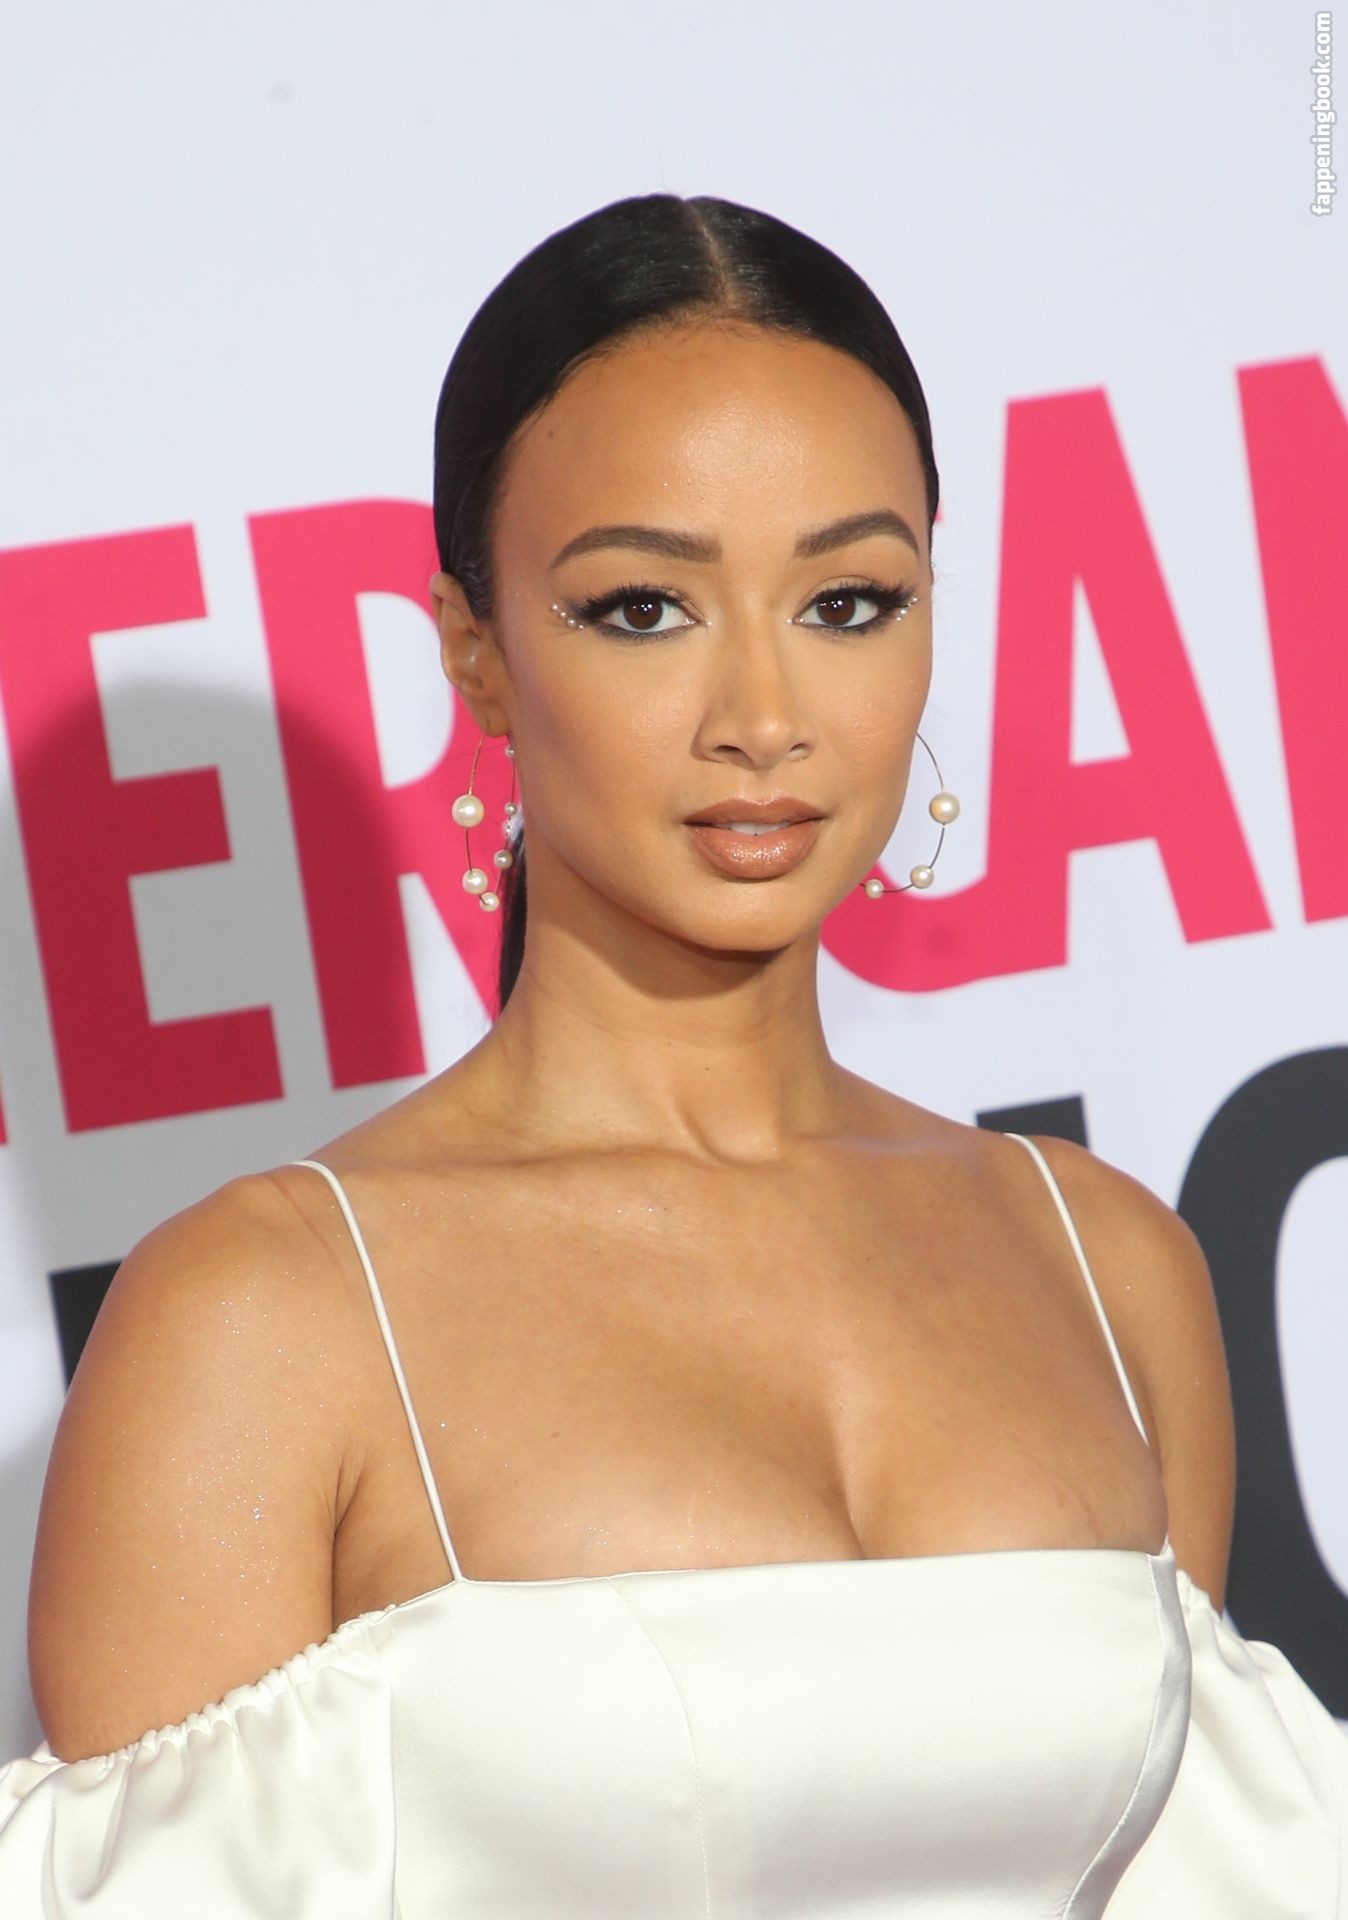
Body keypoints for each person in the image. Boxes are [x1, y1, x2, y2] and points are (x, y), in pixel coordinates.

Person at [0, 191, 1344, 1917]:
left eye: (849, 601)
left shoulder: (1109, 1267)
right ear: (476, 652)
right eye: (644, 609)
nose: (764, 718)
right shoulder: (263, 1318)